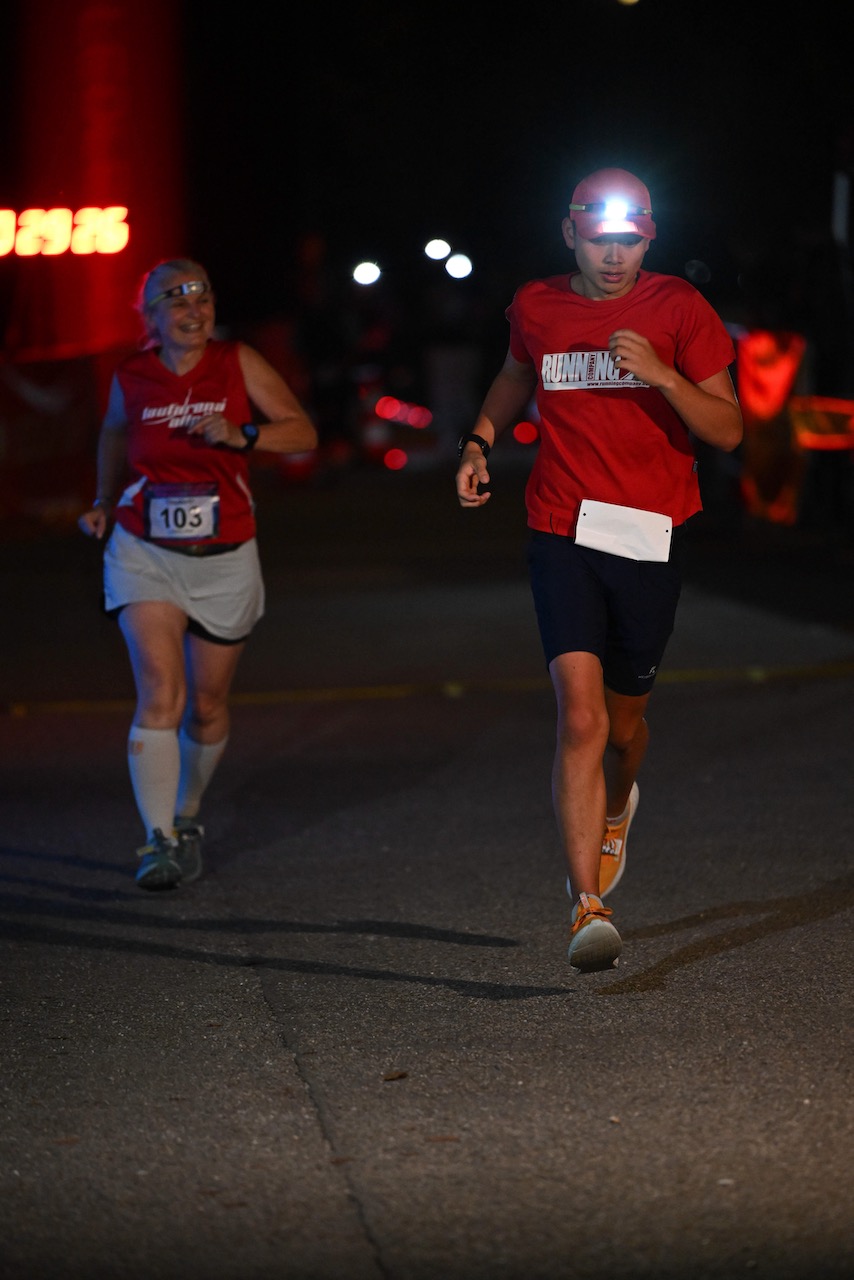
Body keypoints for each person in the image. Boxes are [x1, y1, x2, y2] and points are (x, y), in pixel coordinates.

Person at [455, 168, 743, 972]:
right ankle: (588, 906)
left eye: (629, 240)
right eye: (597, 238)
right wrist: (478, 441)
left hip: (650, 535)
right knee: (579, 718)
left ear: (649, 238)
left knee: (622, 729)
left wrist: (663, 375)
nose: (612, 256)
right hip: (561, 530)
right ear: (569, 233)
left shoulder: (681, 310)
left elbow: (726, 430)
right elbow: (519, 370)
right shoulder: (536, 304)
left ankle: (619, 804)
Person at [79, 258, 318, 890]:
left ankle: (185, 816)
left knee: (207, 707)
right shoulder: (130, 375)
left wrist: (241, 433)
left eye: (203, 297)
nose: (194, 310)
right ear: (150, 315)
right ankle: (157, 841)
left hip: (226, 554)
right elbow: (112, 433)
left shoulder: (235, 361)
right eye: (176, 299)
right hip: (144, 551)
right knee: (161, 689)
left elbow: (301, 433)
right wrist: (103, 502)